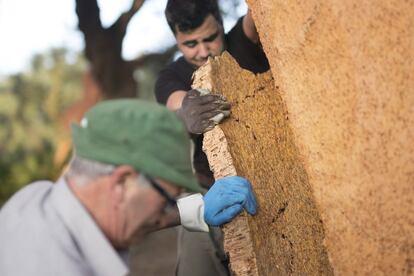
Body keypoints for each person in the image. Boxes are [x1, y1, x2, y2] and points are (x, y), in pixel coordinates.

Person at [0, 99, 257, 276]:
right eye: (168, 198)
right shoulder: (58, 267)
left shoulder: (34, 200)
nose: (165, 211)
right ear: (122, 181)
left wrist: (197, 209)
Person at [154, 1, 269, 275]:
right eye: (190, 44)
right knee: (197, 250)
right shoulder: (171, 76)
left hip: (267, 181)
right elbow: (176, 101)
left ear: (219, 23)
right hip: (210, 191)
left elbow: (262, 13)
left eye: (210, 38)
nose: (203, 51)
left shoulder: (240, 43)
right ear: (176, 40)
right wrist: (187, 111)